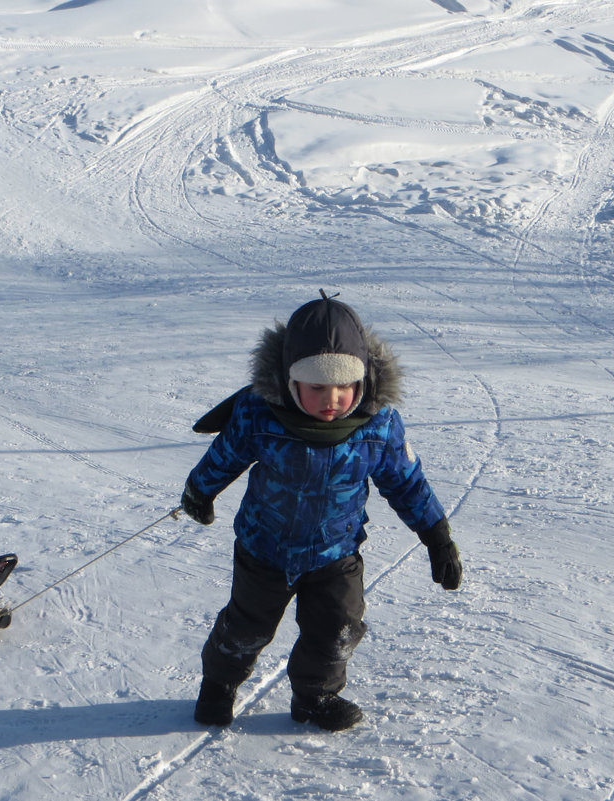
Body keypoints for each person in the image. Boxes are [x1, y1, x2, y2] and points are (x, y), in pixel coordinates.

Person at [180, 291, 462, 732]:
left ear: (364, 380)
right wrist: (199, 491)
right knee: (246, 627)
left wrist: (437, 536)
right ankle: (218, 684)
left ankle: (315, 695)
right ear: (291, 382)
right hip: (265, 549)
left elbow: (406, 482)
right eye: (317, 387)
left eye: (346, 386)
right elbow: (226, 454)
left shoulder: (377, 426)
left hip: (336, 552)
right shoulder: (261, 414)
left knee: (336, 630)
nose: (333, 398)